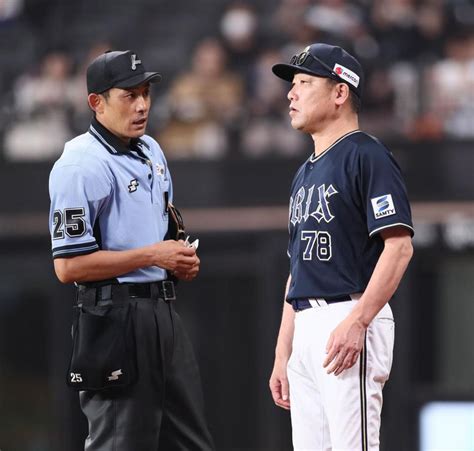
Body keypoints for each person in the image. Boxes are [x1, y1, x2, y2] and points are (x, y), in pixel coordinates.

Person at [48, 50, 214, 451]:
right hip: (112, 317)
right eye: (129, 95)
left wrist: (176, 260)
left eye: (145, 93)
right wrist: (154, 257)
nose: (142, 105)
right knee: (121, 444)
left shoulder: (151, 149)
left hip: (162, 312)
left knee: (192, 443)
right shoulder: (79, 165)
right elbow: (68, 266)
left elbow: (163, 228)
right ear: (96, 102)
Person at [268, 43, 414, 450]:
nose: (290, 94)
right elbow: (297, 270)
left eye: (303, 82)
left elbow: (399, 247)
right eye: (292, 84)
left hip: (348, 312)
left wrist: (359, 321)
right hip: (306, 323)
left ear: (339, 92)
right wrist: (284, 352)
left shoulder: (367, 155)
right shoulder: (304, 173)